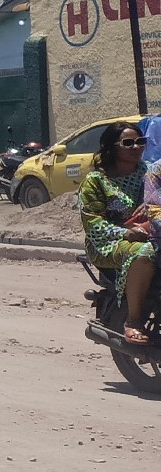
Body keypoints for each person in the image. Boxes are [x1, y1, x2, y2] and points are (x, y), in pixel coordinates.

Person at [79, 120, 157, 344]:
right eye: (128, 143)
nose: (136, 147)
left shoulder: (150, 172)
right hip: (108, 242)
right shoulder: (96, 181)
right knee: (145, 252)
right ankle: (133, 321)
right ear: (111, 147)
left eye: (140, 141)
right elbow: (93, 224)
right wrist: (126, 233)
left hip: (152, 233)